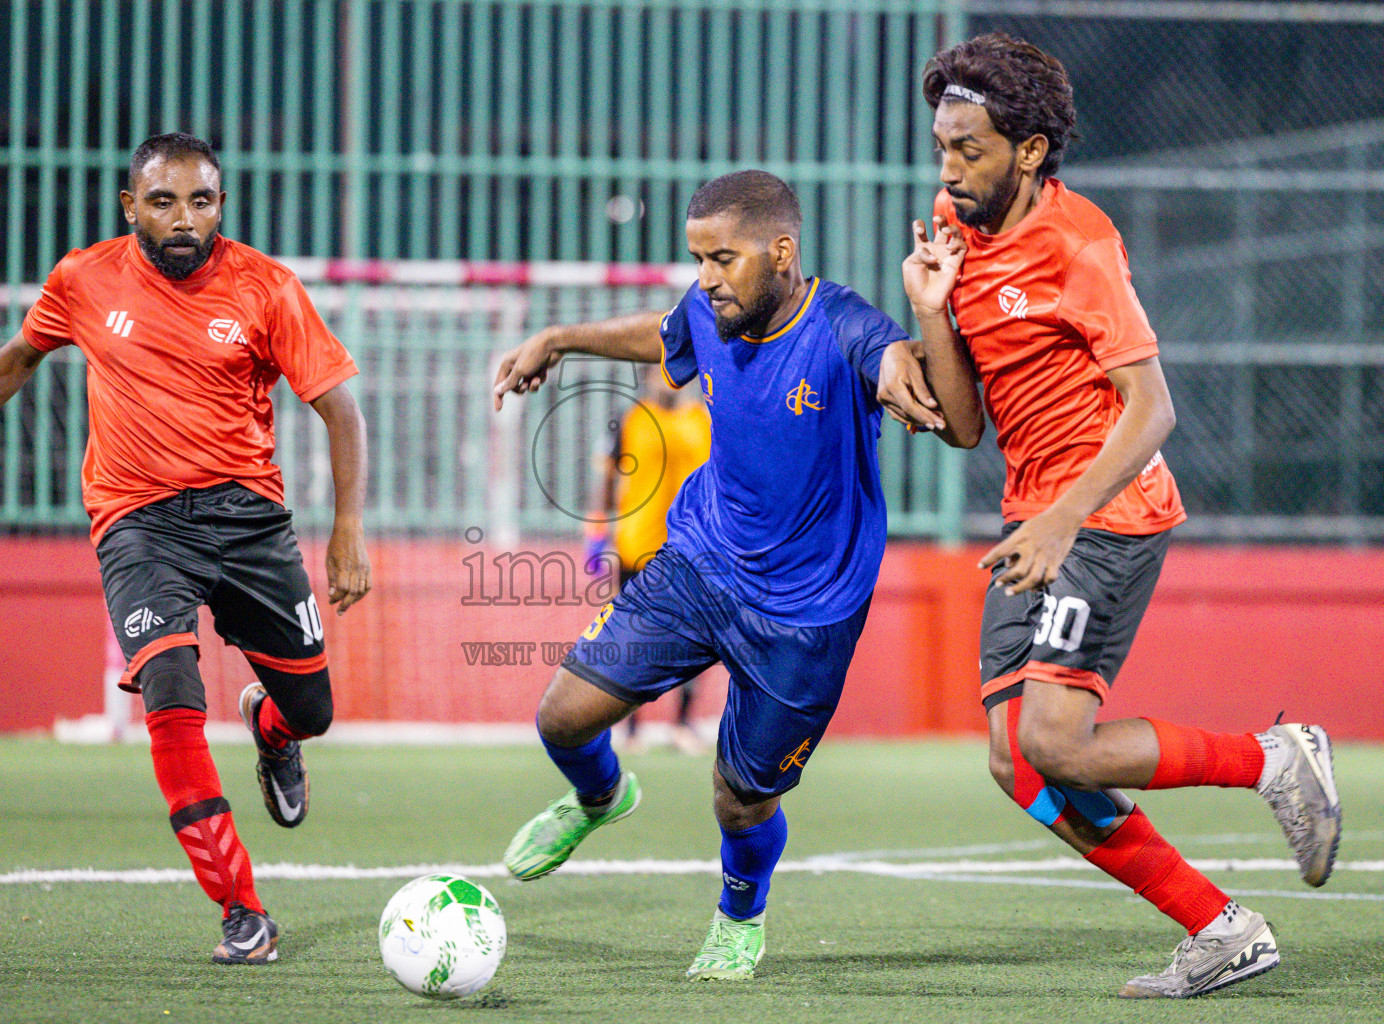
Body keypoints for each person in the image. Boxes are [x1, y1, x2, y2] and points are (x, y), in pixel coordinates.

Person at [876, 34, 1341, 999]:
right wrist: (929, 309)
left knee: (1052, 740)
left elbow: (1153, 408)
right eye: (941, 146)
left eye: (969, 149)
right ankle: (1221, 928)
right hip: (1032, 516)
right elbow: (966, 426)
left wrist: (1060, 520)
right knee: (1017, 764)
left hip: (1107, 509)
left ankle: (1271, 757)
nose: (949, 168)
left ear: (1031, 150)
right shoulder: (953, 225)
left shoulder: (1078, 242)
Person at [0, 132, 372, 966]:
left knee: (314, 710)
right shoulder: (84, 277)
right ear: (129, 207)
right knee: (170, 692)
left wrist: (347, 532)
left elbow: (341, 412)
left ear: (222, 204)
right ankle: (240, 910)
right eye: (164, 201)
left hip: (249, 521)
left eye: (202, 202)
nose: (184, 220)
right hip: (137, 522)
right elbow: (18, 357)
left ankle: (274, 729)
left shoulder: (268, 288)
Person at [493, 169, 907, 980]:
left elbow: (890, 361)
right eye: (698, 259)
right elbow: (664, 331)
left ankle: (738, 918)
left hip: (806, 611)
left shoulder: (845, 326)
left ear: (781, 251)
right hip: (700, 562)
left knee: (740, 798)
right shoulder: (712, 310)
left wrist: (902, 370)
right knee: (563, 719)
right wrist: (560, 339)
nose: (706, 278)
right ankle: (601, 797)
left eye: (723, 259)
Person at [585, 365, 711, 755]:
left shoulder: (703, 420)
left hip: (692, 549)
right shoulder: (631, 418)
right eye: (656, 372)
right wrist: (595, 533)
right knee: (634, 637)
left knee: (697, 637)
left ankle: (683, 724)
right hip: (636, 544)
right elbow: (605, 478)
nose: (665, 379)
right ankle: (632, 727)